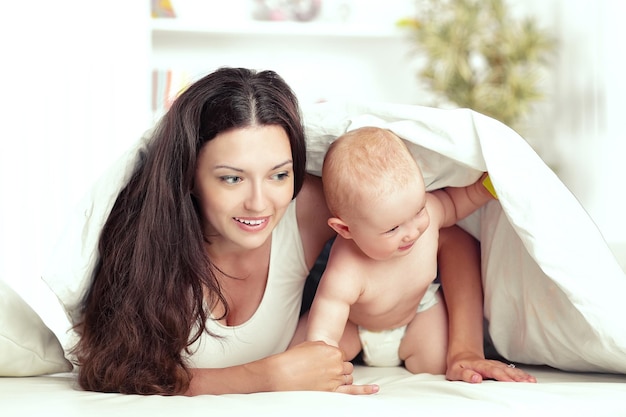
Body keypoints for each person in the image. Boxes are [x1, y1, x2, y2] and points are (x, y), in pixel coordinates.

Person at [71, 67, 531, 397]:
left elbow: (441, 236)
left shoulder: (308, 207)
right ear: (189, 176)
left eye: (278, 174)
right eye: (231, 178)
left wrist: (464, 348)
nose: (259, 202)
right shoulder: (152, 245)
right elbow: (115, 370)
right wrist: (268, 376)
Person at [306, 127, 536, 382]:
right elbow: (328, 315)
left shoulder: (430, 213)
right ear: (345, 229)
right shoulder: (346, 269)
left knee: (439, 363)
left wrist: (486, 188)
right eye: (392, 228)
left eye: (418, 211)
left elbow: (456, 202)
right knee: (309, 356)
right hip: (354, 326)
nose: (412, 232)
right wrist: (320, 349)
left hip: (417, 315)